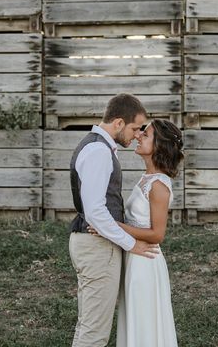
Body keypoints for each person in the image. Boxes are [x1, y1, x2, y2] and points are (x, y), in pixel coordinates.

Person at [68, 93, 159, 347]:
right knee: (94, 333)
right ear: (118, 123)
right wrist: (132, 244)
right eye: (134, 128)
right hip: (98, 249)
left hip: (91, 244)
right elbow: (96, 211)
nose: (136, 135)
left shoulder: (97, 145)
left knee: (88, 325)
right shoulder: (98, 150)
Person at [90, 119, 183, 347]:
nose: (139, 136)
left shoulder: (159, 186)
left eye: (146, 134)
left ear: (159, 146)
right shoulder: (146, 178)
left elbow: (157, 234)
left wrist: (112, 227)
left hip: (146, 262)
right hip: (134, 257)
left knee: (144, 322)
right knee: (134, 318)